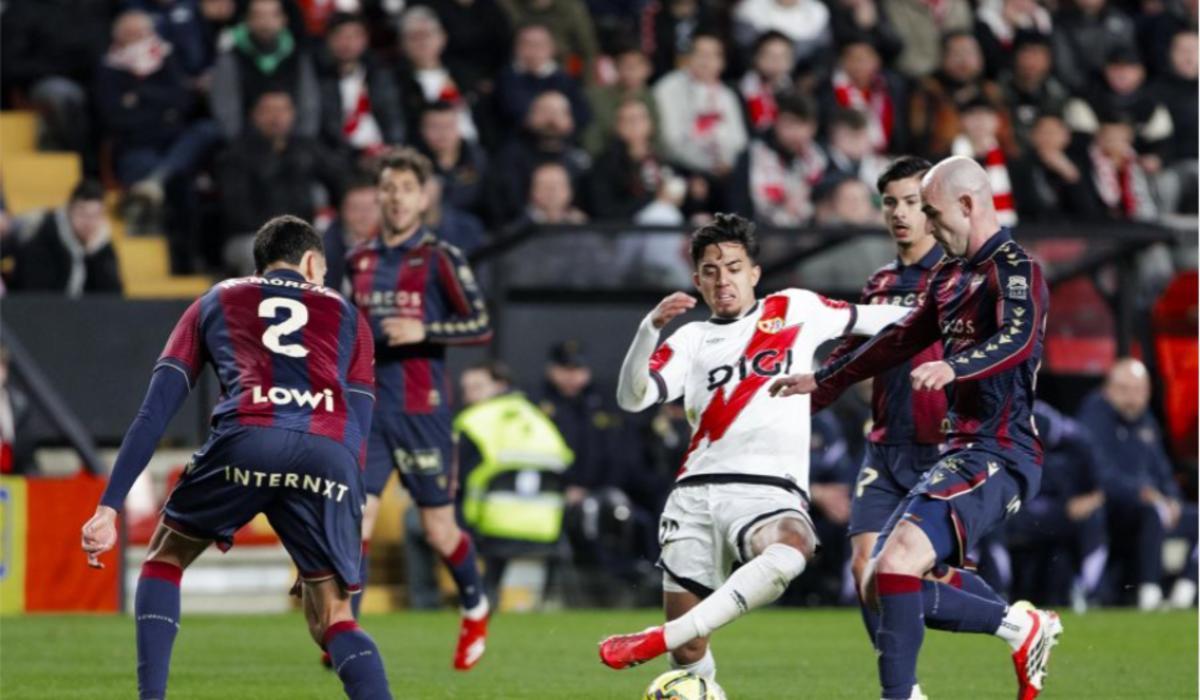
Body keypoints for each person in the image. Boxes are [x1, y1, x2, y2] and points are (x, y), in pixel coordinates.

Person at [770, 156, 1060, 700]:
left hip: (1001, 451)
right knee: (882, 579)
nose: (925, 221)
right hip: (957, 449)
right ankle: (1020, 628)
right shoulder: (949, 276)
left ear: (968, 205)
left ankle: (904, 693)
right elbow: (898, 339)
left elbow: (1018, 339)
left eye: (931, 210)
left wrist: (957, 364)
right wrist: (826, 380)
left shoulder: (1017, 269)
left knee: (896, 566)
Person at [79, 215, 393, 699]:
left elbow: (155, 411)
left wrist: (109, 505)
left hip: (249, 437)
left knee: (165, 557)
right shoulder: (350, 315)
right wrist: (326, 529)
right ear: (311, 261)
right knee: (332, 614)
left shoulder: (216, 299)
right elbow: (359, 423)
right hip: (330, 455)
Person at [597, 213, 911, 676]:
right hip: (695, 494)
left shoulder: (795, 308)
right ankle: (676, 641)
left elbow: (882, 318)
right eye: (710, 270)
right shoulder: (691, 339)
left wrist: (960, 308)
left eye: (734, 266)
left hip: (768, 487)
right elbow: (632, 397)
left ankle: (661, 636)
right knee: (688, 653)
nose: (723, 279)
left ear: (754, 273)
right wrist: (649, 329)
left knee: (793, 545)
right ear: (698, 280)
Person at [345, 148, 493, 670]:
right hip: (369, 410)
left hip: (422, 410)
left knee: (438, 530)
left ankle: (475, 605)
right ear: (377, 195)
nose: (396, 197)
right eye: (388, 187)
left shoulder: (440, 258)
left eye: (406, 188)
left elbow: (480, 322)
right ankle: (348, 631)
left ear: (423, 196)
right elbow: (345, 330)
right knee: (354, 518)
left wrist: (424, 330)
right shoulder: (358, 260)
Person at [816, 155, 949, 653]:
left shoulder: (963, 278)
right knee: (865, 569)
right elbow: (856, 357)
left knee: (912, 573)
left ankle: (1015, 625)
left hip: (944, 446)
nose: (899, 213)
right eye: (890, 202)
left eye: (911, 203)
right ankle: (901, 683)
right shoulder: (880, 283)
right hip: (885, 442)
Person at [1078, 358, 1198, 610]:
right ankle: (1149, 594)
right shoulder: (1095, 416)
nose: (1133, 398)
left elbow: (1162, 470)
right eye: (1124, 390)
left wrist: (1173, 498)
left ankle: (1186, 591)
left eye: (1139, 390)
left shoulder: (1146, 420)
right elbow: (1101, 473)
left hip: (1156, 505)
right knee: (1153, 512)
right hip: (1116, 508)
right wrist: (1141, 494)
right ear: (1108, 388)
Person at [455, 360, 574, 600]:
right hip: (547, 525)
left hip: (491, 525)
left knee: (419, 521)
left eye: (477, 387)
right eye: (466, 388)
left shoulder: (473, 421)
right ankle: (549, 601)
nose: (469, 395)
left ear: (500, 385)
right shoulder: (539, 418)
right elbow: (565, 465)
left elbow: (456, 480)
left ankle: (429, 601)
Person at [210, 0, 320, 140]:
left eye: (272, 15)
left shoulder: (298, 56)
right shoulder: (231, 58)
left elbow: (308, 104)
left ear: (283, 20)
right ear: (247, 21)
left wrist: (302, 143)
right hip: (244, 141)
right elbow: (226, 110)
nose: (265, 23)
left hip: (294, 142)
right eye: (258, 16)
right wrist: (238, 144)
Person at [653, 33, 748, 180]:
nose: (706, 61)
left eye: (713, 55)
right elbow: (670, 142)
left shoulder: (727, 95)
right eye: (700, 54)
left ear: (722, 63)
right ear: (688, 58)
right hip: (679, 168)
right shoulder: (667, 88)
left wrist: (725, 162)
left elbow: (738, 141)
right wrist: (707, 165)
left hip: (722, 169)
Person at [8, 180, 123, 296]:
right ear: (69, 210)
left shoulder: (101, 246)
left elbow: (113, 299)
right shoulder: (45, 236)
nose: (89, 223)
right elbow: (37, 294)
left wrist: (96, 255)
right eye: (82, 213)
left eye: (96, 215)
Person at [317, 12, 405, 159]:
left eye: (354, 36)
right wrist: (355, 155)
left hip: (383, 153)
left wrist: (392, 148)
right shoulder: (317, 76)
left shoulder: (379, 73)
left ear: (365, 39)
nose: (347, 43)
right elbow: (324, 131)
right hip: (340, 157)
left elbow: (392, 117)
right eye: (341, 36)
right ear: (329, 40)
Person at [323, 177, 379, 293]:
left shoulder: (398, 247)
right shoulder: (324, 252)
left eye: (370, 208)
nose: (364, 216)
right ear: (342, 211)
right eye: (356, 209)